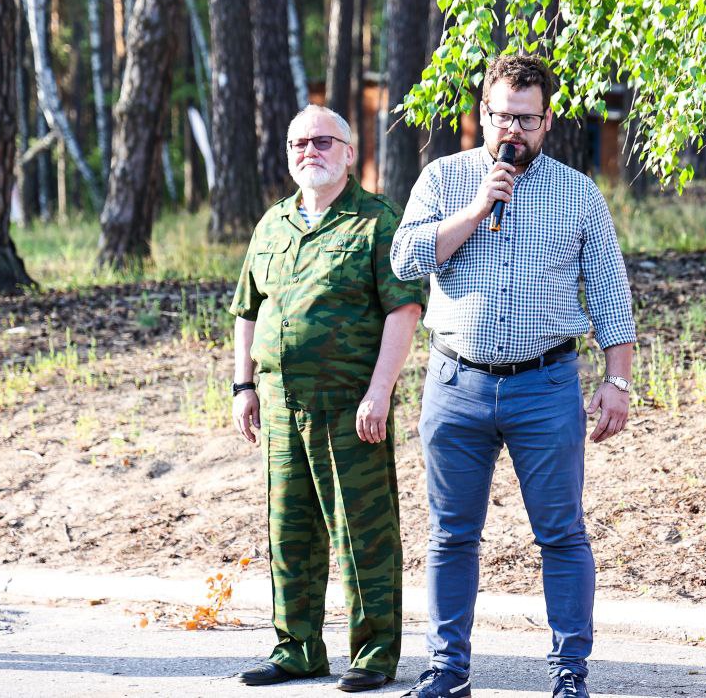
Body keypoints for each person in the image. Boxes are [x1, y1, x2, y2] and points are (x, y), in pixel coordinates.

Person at [390, 54, 636, 698]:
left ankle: (568, 672)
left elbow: (610, 292)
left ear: (548, 121)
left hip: (545, 385)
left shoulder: (577, 192)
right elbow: (406, 258)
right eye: (503, 116)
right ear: (483, 115)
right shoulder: (443, 179)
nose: (514, 130)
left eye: (527, 119)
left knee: (560, 532)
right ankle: (447, 669)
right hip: (456, 383)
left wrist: (618, 380)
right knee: (450, 535)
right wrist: (474, 210)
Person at [229, 105, 424, 691]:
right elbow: (247, 310)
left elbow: (405, 309)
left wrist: (379, 393)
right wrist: (243, 386)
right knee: (289, 530)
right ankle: (297, 648)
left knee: (362, 532)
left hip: (350, 406)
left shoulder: (376, 220)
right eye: (297, 143)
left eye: (321, 141)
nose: (308, 151)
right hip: (281, 405)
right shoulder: (272, 224)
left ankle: (374, 655)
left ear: (347, 150)